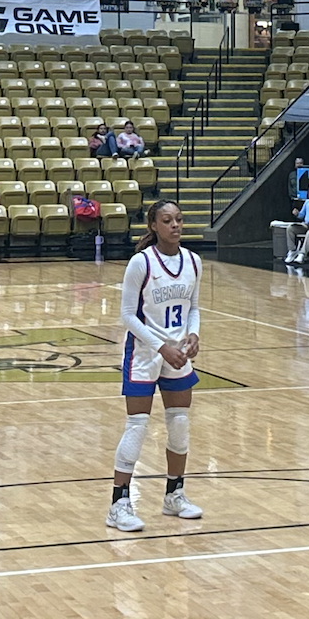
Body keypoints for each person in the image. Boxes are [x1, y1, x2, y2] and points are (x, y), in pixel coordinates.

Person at [108, 202, 202, 532]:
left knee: (179, 425)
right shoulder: (141, 263)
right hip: (145, 353)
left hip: (179, 354)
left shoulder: (193, 261)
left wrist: (193, 335)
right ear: (153, 225)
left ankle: (174, 495)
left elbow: (194, 307)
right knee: (137, 425)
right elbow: (127, 315)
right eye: (167, 220)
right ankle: (119, 503)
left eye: (178, 219)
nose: (175, 225)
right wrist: (161, 345)